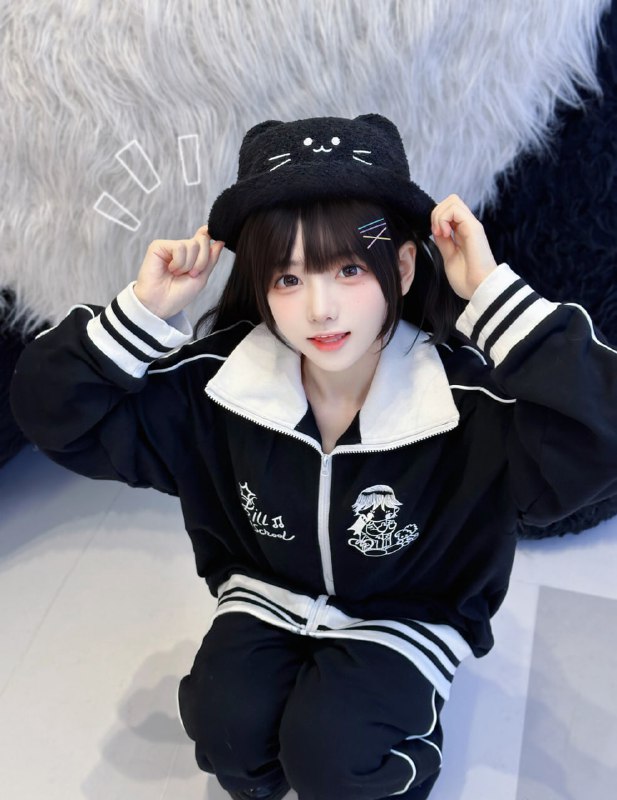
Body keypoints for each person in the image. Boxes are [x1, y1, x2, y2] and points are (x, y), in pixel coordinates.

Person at [10, 114, 617, 800]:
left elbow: (603, 435)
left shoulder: (465, 404)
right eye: (288, 278)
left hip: (407, 611)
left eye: (350, 269)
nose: (321, 310)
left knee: (334, 755)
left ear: (403, 266)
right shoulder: (218, 387)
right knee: (225, 730)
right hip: (265, 594)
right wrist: (142, 312)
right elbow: (52, 413)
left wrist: (491, 294)